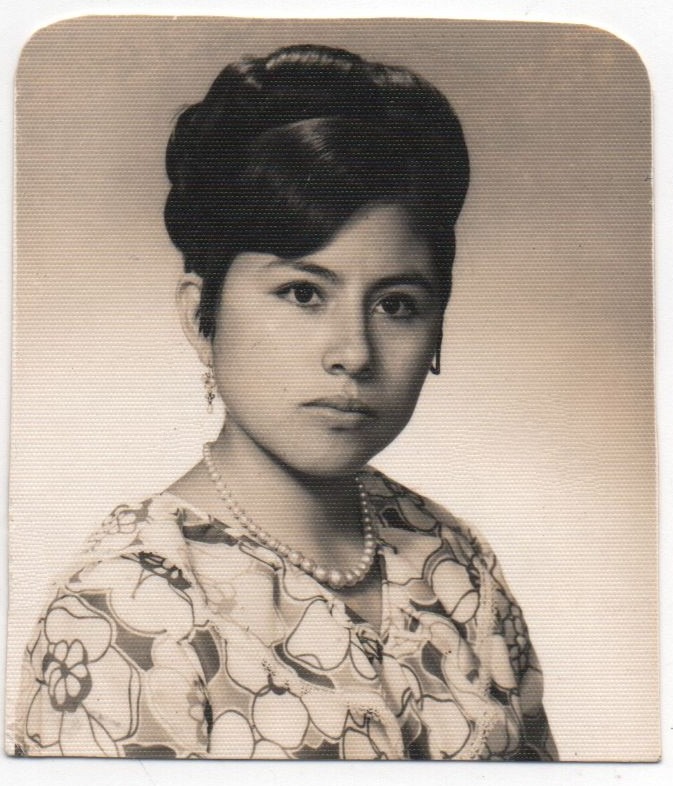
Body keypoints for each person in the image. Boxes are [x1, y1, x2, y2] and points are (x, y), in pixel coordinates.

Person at [13, 44, 557, 760]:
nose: (354, 353)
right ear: (200, 316)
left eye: (396, 304)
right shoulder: (121, 609)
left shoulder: (456, 563)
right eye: (303, 293)